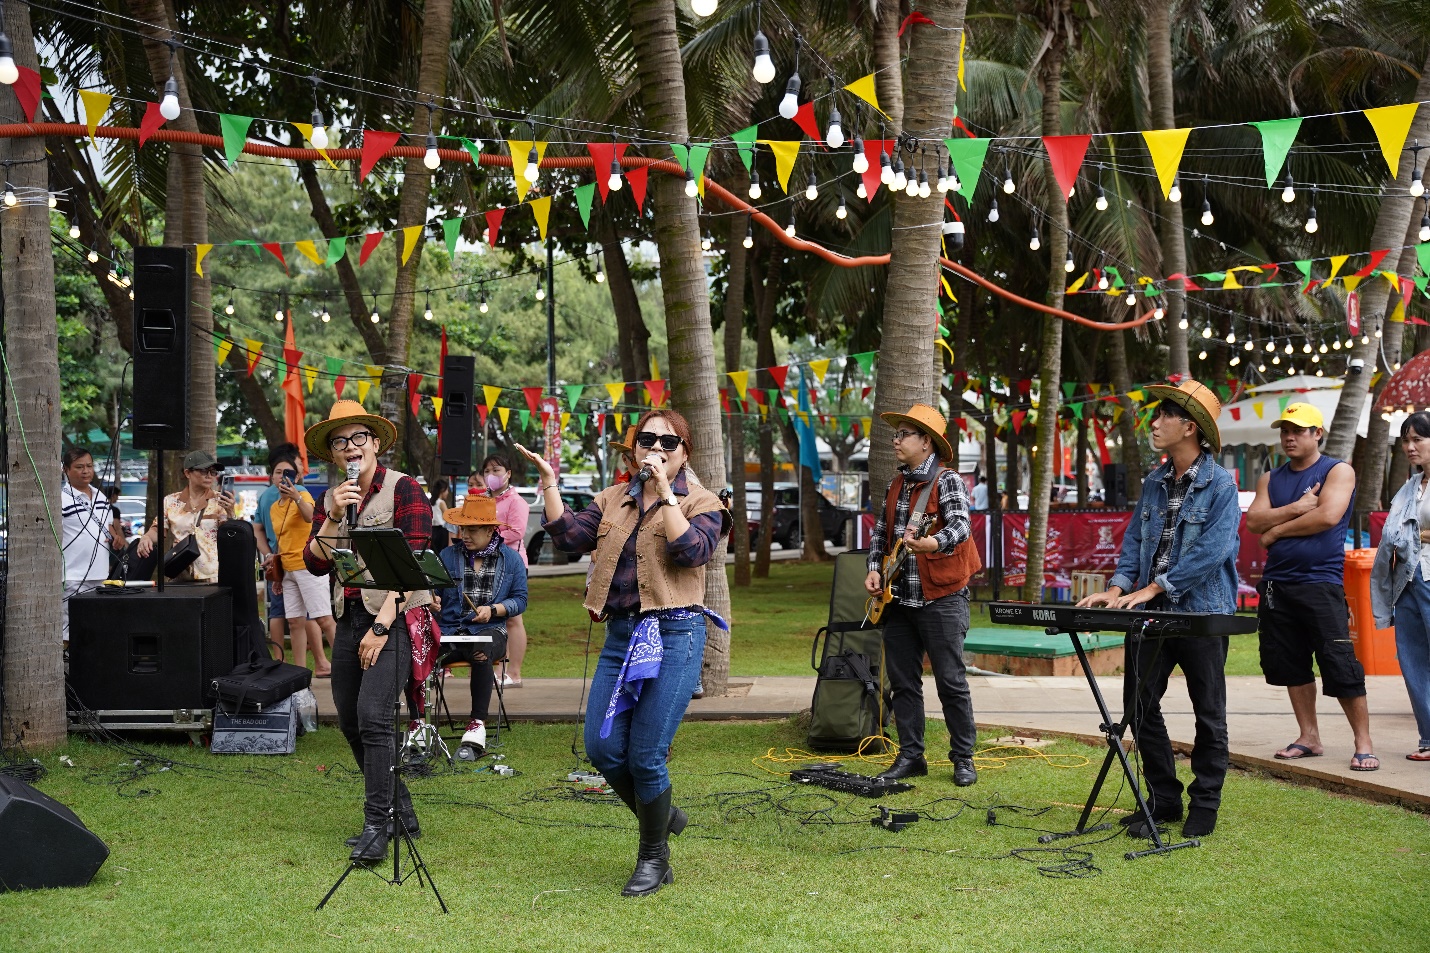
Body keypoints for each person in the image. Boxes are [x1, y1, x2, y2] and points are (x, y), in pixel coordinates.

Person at [518, 409, 730, 897]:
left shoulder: (703, 502)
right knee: (601, 747)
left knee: (646, 755)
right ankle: (663, 814)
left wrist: (665, 493)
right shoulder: (613, 498)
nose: (655, 448)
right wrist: (550, 483)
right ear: (633, 447)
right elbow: (570, 537)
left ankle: (653, 857)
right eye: (646, 439)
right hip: (621, 637)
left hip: (675, 634)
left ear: (684, 452)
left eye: (667, 442)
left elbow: (693, 553)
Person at [1077, 380, 1241, 840]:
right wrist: (1117, 586)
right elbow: (1133, 542)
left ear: (1188, 427)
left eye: (1163, 416)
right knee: (1138, 704)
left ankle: (1204, 803)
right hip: (1150, 613)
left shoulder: (1221, 484)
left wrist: (1153, 588)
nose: (1154, 423)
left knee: (1208, 712)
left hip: (1201, 613)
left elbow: (1214, 551)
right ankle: (1164, 799)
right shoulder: (1154, 481)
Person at [303, 400, 433, 864]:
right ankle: (402, 811)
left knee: (375, 716)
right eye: (341, 442)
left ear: (375, 444)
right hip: (349, 617)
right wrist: (335, 515)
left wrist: (381, 626)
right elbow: (315, 563)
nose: (351, 447)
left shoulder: (405, 489)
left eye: (359, 438)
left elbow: (413, 569)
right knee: (351, 719)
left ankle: (376, 825)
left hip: (394, 619)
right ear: (334, 454)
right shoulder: (332, 498)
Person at [1247, 402, 1376, 771]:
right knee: (1290, 663)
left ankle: (1363, 743)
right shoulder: (1271, 478)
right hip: (1277, 585)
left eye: (1298, 430)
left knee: (1339, 663)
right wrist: (1295, 508)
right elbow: (1254, 520)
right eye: (1285, 430)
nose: (1289, 437)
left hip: (1320, 583)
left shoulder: (1338, 470)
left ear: (1317, 433)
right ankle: (1309, 737)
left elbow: (1328, 515)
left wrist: (1276, 530)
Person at [863, 404, 979, 788]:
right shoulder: (895, 483)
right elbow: (882, 532)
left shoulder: (947, 481)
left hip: (942, 597)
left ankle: (963, 758)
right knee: (903, 682)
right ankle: (912, 756)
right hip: (898, 600)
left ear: (926, 442)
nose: (895, 440)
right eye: (896, 435)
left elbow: (961, 526)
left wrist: (933, 542)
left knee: (951, 681)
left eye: (904, 435)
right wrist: (874, 568)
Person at [436, 495, 528, 760]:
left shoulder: (510, 559)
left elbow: (520, 600)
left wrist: (494, 610)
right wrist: (434, 600)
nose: (464, 534)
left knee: (482, 649)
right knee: (418, 649)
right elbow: (433, 592)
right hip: (451, 630)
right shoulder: (447, 555)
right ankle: (419, 722)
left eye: (472, 529)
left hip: (491, 631)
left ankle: (477, 723)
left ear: (490, 530)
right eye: (462, 528)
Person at [1372, 411, 1430, 762]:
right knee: (1412, 661)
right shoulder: (1410, 487)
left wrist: (1417, 534)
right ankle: (1428, 738)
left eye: (1417, 440)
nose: (1409, 447)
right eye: (1405, 441)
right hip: (1407, 580)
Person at [475, 453, 531, 687]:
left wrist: (487, 540)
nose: (491, 475)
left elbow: (516, 532)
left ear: (508, 474)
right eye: (487, 471)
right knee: (494, 619)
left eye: (496, 470)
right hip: (488, 564)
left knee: (513, 619)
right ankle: (499, 671)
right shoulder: (481, 500)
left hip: (512, 565)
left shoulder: (516, 501)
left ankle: (514, 674)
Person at [136, 449, 234, 583]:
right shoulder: (170, 501)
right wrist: (146, 537)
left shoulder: (220, 501)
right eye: (204, 471)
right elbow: (157, 529)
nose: (209, 476)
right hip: (179, 573)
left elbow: (230, 535)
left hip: (212, 574)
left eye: (213, 472)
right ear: (187, 473)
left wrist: (231, 512)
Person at [61, 447, 126, 639]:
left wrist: (117, 538)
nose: (86, 471)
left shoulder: (100, 496)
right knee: (68, 629)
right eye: (79, 467)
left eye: (89, 466)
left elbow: (109, 528)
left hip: (99, 574)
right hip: (71, 575)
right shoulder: (60, 499)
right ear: (66, 469)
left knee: (93, 627)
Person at [253, 445, 299, 661]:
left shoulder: (264, 496)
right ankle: (317, 661)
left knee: (277, 612)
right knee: (305, 614)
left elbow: (257, 529)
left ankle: (278, 660)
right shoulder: (299, 493)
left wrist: (268, 554)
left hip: (275, 561)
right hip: (295, 560)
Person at [429, 478, 452, 552]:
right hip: (441, 531)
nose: (447, 493)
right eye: (447, 490)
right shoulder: (441, 502)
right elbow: (448, 517)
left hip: (432, 530)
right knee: (441, 552)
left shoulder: (431, 502)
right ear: (442, 490)